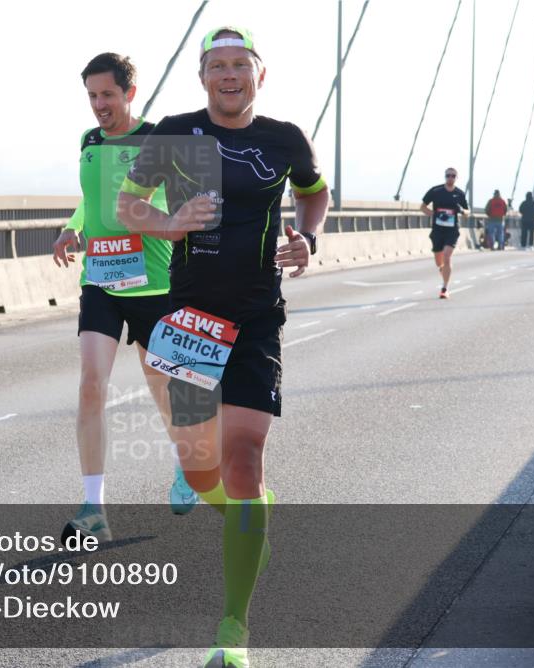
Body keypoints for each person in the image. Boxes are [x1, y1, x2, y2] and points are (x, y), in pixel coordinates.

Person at [117, 27, 328, 668]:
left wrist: (308, 240)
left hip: (258, 318)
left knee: (244, 459)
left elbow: (313, 195)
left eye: (241, 65)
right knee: (203, 472)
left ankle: (232, 631)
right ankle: (251, 523)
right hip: (191, 320)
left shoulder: (285, 138)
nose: (229, 75)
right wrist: (170, 222)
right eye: (218, 66)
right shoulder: (177, 134)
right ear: (203, 76)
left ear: (259, 75)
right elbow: (128, 205)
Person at [51, 53, 197, 544]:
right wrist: (71, 230)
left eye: (107, 95)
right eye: (92, 96)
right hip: (102, 282)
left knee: (162, 388)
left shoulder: (159, 140)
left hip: (154, 283)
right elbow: (91, 201)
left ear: (129, 93)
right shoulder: (89, 142)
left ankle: (185, 464)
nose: (99, 105)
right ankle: (94, 506)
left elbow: (180, 202)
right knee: (92, 383)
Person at [421, 168, 469, 298]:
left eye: (453, 176)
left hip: (452, 230)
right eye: (448, 175)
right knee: (439, 261)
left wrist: (462, 211)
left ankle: (445, 288)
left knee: (447, 257)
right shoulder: (436, 191)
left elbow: (467, 212)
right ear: (445, 177)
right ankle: (443, 269)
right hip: (437, 230)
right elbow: (422, 207)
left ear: (456, 178)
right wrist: (434, 214)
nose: (450, 178)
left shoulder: (460, 194)